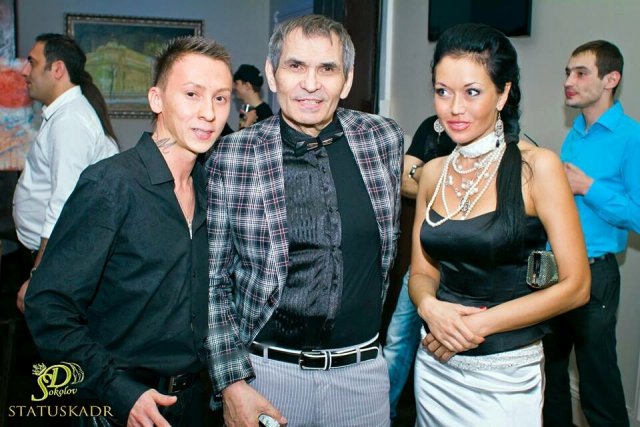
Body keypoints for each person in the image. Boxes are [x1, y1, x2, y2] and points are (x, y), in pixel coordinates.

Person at [206, 14, 403, 427]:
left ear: (347, 80)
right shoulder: (233, 154)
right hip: (266, 377)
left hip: (363, 378)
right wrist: (231, 382)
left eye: (327, 69)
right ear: (272, 74)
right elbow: (212, 281)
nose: (310, 84)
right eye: (295, 66)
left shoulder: (383, 139)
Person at [24, 36, 233, 426]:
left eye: (220, 98)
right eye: (192, 94)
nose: (208, 112)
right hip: (120, 407)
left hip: (196, 404)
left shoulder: (212, 189)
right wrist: (117, 390)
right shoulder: (111, 185)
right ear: (156, 99)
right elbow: (47, 306)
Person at [408, 23, 591, 426]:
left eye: (472, 92)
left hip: (503, 376)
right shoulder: (433, 173)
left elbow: (577, 286)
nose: (454, 108)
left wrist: (470, 327)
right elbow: (421, 272)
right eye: (443, 91)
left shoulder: (536, 167)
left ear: (503, 94)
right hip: (435, 363)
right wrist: (429, 307)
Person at [543, 40, 640, 427]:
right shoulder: (575, 134)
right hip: (553, 271)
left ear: (610, 79)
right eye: (568, 73)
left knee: (598, 388)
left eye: (581, 73)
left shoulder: (632, 137)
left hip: (594, 275)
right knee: (550, 378)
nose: (569, 81)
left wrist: (588, 187)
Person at [12, 34, 119, 312]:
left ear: (57, 69)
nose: (25, 71)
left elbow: (63, 205)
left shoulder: (70, 121)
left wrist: (39, 276)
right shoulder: (63, 115)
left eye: (32, 62)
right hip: (50, 254)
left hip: (55, 258)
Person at [384, 115, 455, 422]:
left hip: (466, 268)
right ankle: (382, 416)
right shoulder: (433, 126)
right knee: (397, 340)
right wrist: (445, 179)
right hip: (424, 260)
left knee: (445, 353)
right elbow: (403, 180)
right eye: (442, 92)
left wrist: (425, 174)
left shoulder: (501, 133)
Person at [233, 63, 273, 128]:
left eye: (237, 84)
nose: (234, 88)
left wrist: (247, 124)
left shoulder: (265, 115)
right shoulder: (247, 111)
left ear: (247, 86)